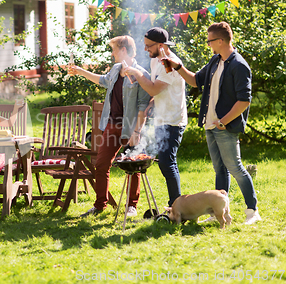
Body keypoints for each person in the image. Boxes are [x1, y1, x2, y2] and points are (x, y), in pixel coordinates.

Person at [163, 21, 261, 225]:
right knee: (220, 170)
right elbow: (194, 81)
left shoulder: (239, 65)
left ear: (221, 40)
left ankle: (252, 211)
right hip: (210, 126)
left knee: (235, 168)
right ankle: (219, 214)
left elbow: (244, 101)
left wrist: (224, 122)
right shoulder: (215, 61)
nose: (208, 45)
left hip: (225, 126)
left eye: (209, 41)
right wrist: (178, 66)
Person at [69, 36, 151, 217]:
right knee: (101, 164)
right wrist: (81, 71)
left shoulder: (141, 74)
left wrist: (136, 131)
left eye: (114, 49)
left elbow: (142, 106)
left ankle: (131, 206)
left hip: (130, 128)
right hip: (111, 125)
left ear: (123, 50)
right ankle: (99, 205)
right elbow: (103, 81)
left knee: (133, 166)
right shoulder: (116, 69)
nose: (112, 53)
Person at [124, 27, 187, 208]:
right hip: (161, 117)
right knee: (165, 163)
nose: (145, 49)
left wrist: (136, 73)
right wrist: (152, 102)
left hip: (173, 120)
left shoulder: (170, 63)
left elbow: (151, 87)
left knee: (168, 162)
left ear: (160, 45)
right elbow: (156, 89)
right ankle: (175, 205)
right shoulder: (156, 60)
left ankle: (176, 206)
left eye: (148, 46)